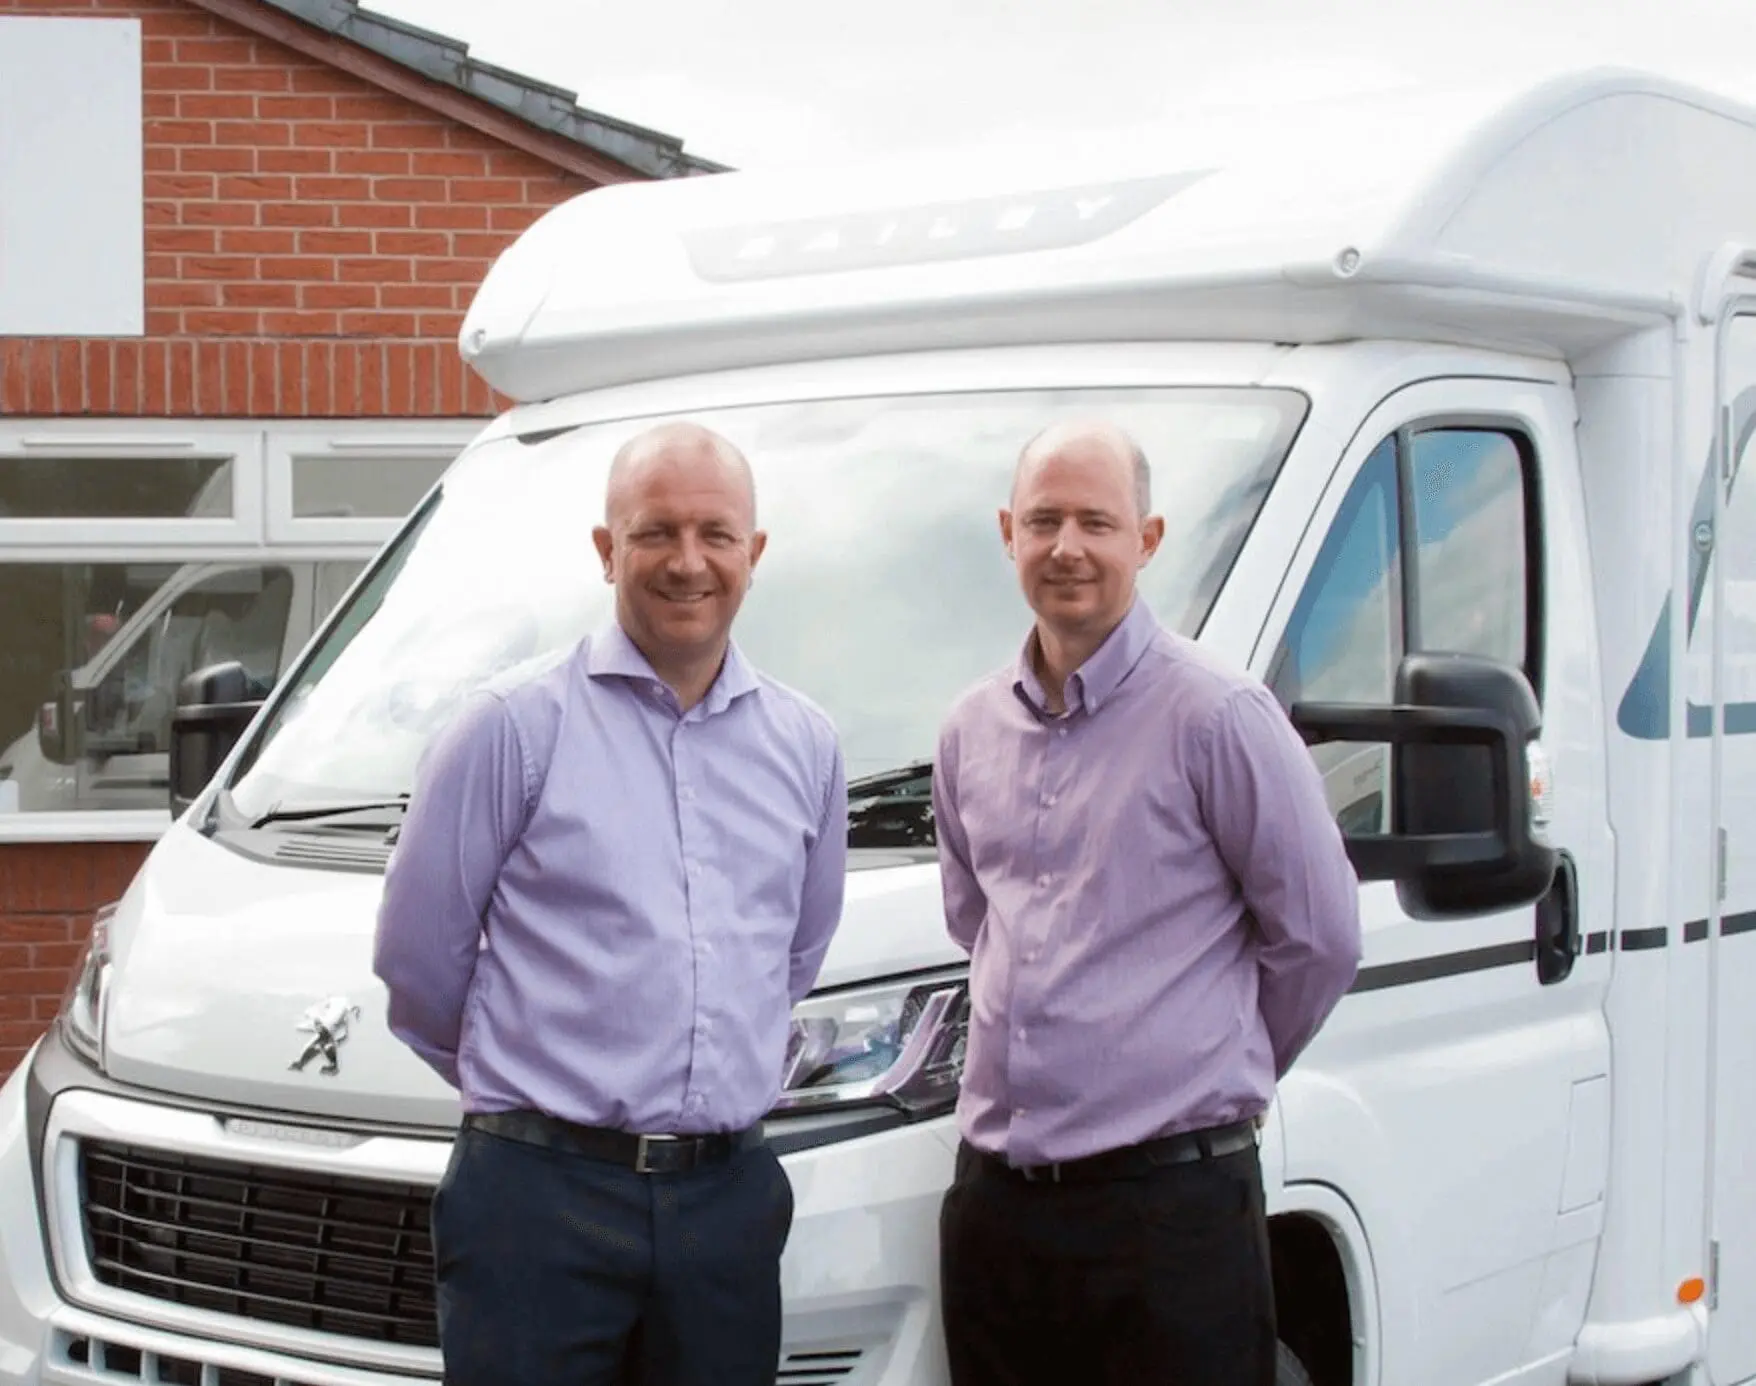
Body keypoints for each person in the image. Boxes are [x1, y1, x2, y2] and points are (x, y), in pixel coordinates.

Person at [373, 420, 848, 1386]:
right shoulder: (509, 730)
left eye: (716, 535)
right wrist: (548, 1096)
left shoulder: (807, 746)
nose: (687, 562)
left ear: (753, 554)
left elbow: (791, 958)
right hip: (537, 1206)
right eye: (654, 533)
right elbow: (418, 967)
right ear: (606, 551)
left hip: (727, 1205)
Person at [929, 418, 1362, 1386]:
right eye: (1043, 520)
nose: (1067, 546)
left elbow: (1321, 940)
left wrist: (1204, 1063)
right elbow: (979, 927)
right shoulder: (968, 731)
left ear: (1147, 539)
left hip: (1168, 1216)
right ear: (1008, 533)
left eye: (1096, 520)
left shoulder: (1218, 715)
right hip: (996, 1215)